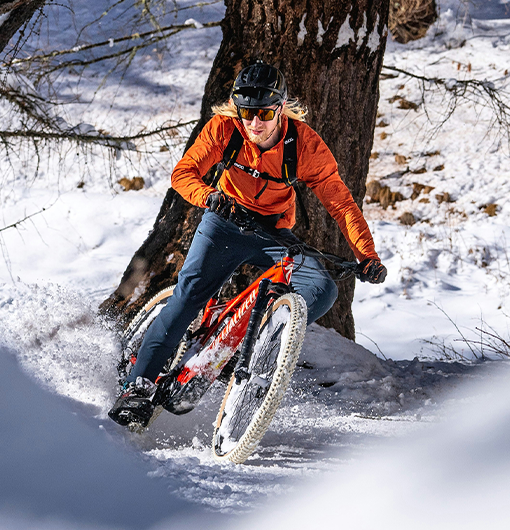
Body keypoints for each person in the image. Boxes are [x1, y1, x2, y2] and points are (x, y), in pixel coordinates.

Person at [109, 60, 388, 429]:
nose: (254, 123)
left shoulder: (304, 145)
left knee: (320, 291)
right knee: (190, 294)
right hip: (223, 223)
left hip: (273, 233)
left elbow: (341, 203)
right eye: (246, 112)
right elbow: (183, 174)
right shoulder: (225, 129)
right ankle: (138, 385)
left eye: (264, 113)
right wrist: (210, 197)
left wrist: (366, 255)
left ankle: (245, 345)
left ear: (281, 107)